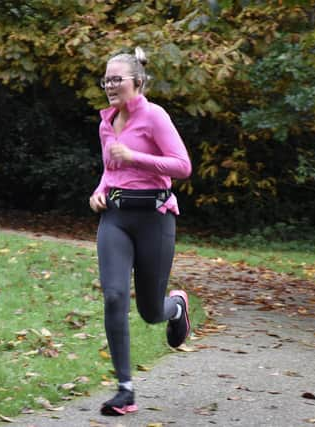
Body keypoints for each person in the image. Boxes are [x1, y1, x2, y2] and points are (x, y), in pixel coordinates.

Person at [89, 46, 193, 416]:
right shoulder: (106, 122)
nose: (110, 85)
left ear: (138, 81)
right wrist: (99, 191)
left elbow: (182, 166)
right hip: (115, 218)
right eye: (106, 80)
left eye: (117, 79)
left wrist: (137, 158)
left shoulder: (154, 117)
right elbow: (110, 169)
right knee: (114, 296)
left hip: (155, 218)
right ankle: (125, 389)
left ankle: (176, 307)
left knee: (151, 311)